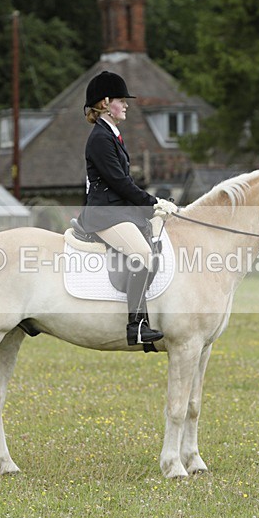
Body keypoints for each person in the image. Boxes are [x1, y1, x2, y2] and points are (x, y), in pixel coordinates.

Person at [77, 71, 177, 346]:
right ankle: (137, 325)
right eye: (122, 100)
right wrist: (152, 202)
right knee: (144, 255)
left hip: (116, 211)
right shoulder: (100, 138)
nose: (127, 105)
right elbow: (119, 183)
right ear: (106, 102)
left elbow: (125, 183)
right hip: (103, 215)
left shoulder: (112, 135)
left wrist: (148, 208)